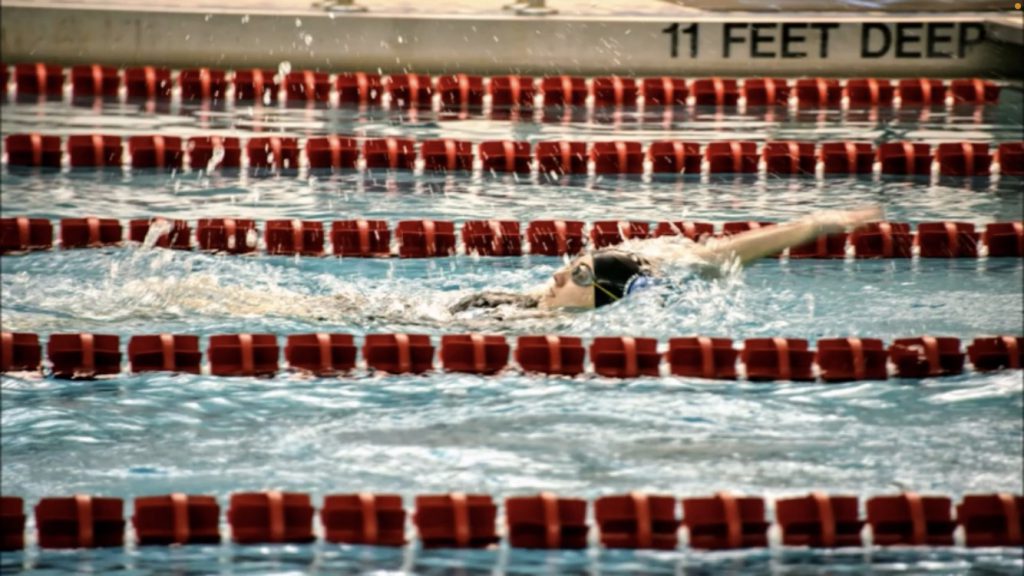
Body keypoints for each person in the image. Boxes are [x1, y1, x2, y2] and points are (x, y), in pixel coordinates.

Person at [450, 206, 883, 313]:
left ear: (604, 297)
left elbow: (717, 258)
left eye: (578, 274)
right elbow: (711, 256)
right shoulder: (506, 307)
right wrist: (813, 224)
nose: (558, 273)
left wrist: (813, 226)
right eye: (574, 263)